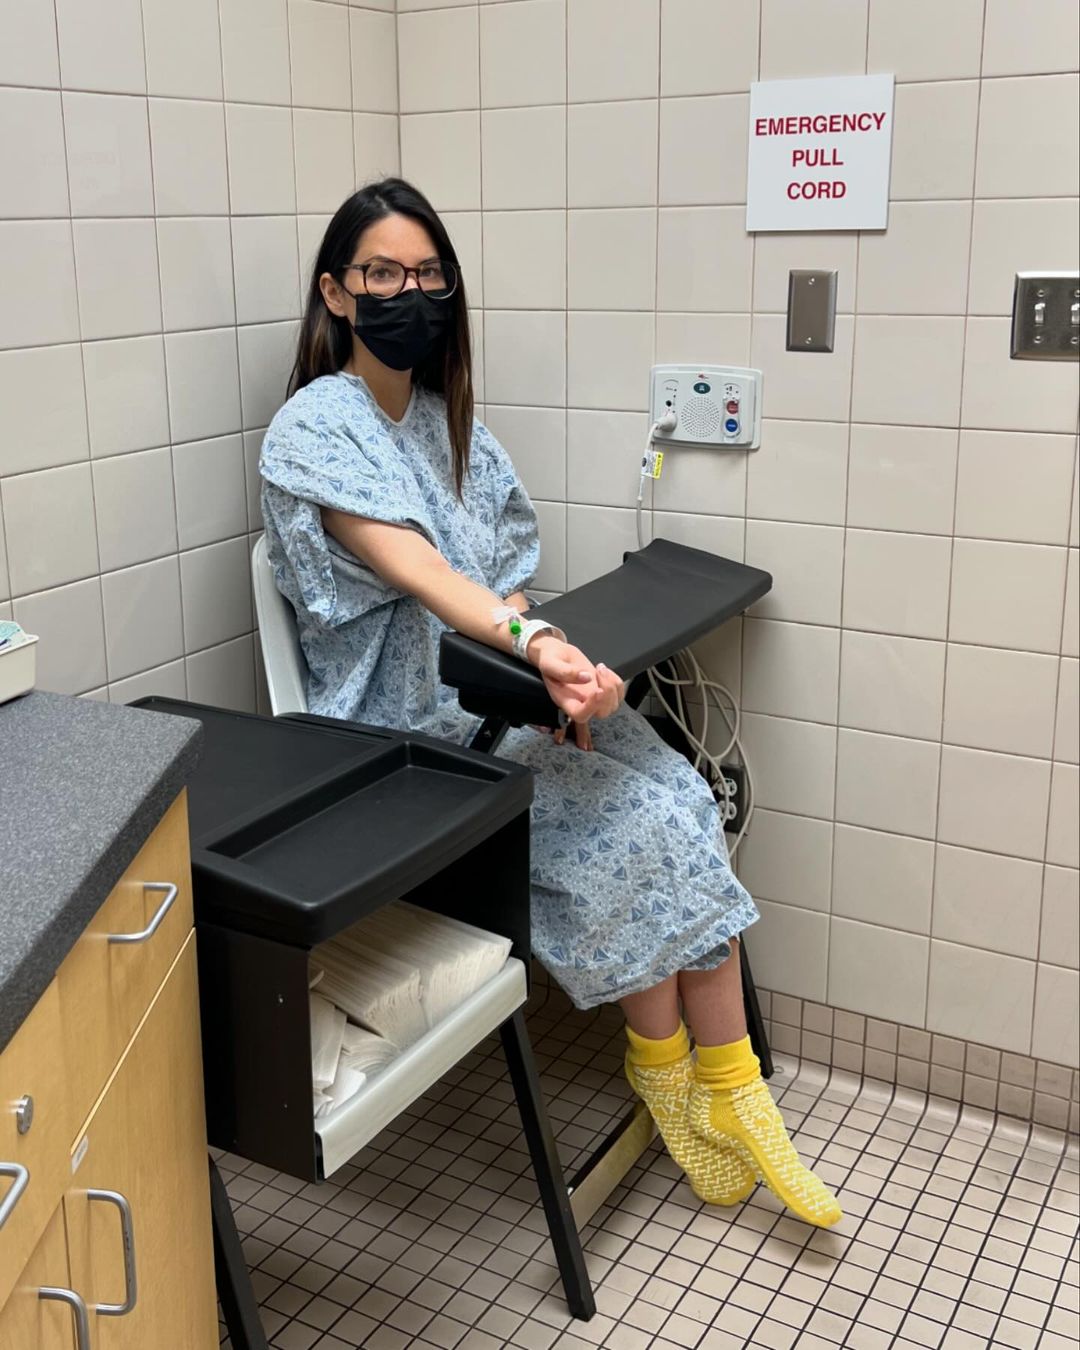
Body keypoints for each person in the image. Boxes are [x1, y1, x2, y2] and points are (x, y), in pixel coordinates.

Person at [259, 178, 840, 1228]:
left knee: (682, 795)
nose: (408, 294)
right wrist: (535, 649)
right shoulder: (315, 427)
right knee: (640, 823)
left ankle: (726, 1084)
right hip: (402, 734)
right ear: (336, 294)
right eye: (382, 274)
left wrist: (542, 671)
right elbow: (422, 571)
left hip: (498, 697)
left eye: (428, 274)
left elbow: (504, 581)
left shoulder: (451, 428)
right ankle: (670, 1076)